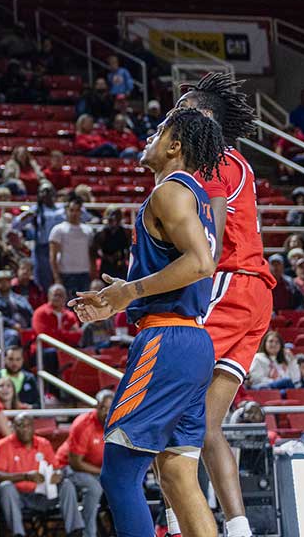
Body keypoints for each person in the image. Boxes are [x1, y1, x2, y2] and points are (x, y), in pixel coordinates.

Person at [70, 107, 226, 537]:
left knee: (119, 475)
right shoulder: (192, 196)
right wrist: (118, 300)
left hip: (167, 341)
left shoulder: (170, 192)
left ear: (175, 145)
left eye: (159, 131)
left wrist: (132, 292)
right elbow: (184, 268)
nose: (149, 136)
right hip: (192, 341)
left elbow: (200, 264)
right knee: (178, 475)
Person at [170, 72, 271, 537]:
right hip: (255, 294)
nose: (176, 114)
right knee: (207, 426)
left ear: (206, 118)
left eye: (185, 107)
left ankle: (176, 522)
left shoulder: (212, 158)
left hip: (230, 284)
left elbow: (207, 242)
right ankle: (238, 528)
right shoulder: (238, 162)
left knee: (164, 405)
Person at [0, 413, 83, 537]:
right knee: (5, 487)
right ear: (13, 428)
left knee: (66, 484)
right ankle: (18, 534)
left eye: (28, 426)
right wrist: (25, 476)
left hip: (43, 494)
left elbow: (56, 468)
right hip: (18, 497)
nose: (24, 429)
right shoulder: (3, 445)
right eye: (20, 426)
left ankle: (75, 531)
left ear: (34, 428)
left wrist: (57, 475)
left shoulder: (43, 444)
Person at [62, 389, 112, 537]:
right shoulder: (83, 424)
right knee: (94, 488)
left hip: (97, 469)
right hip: (68, 468)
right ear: (96, 406)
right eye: (102, 407)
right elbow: (75, 463)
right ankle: (88, 534)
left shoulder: (118, 423)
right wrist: (104, 472)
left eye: (110, 408)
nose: (105, 412)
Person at [49, 198, 96, 294]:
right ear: (66, 211)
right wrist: (57, 277)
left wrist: (93, 273)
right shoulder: (58, 230)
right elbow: (53, 256)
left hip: (84, 274)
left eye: (77, 210)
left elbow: (91, 254)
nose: (74, 213)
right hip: (66, 274)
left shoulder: (88, 230)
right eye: (71, 210)